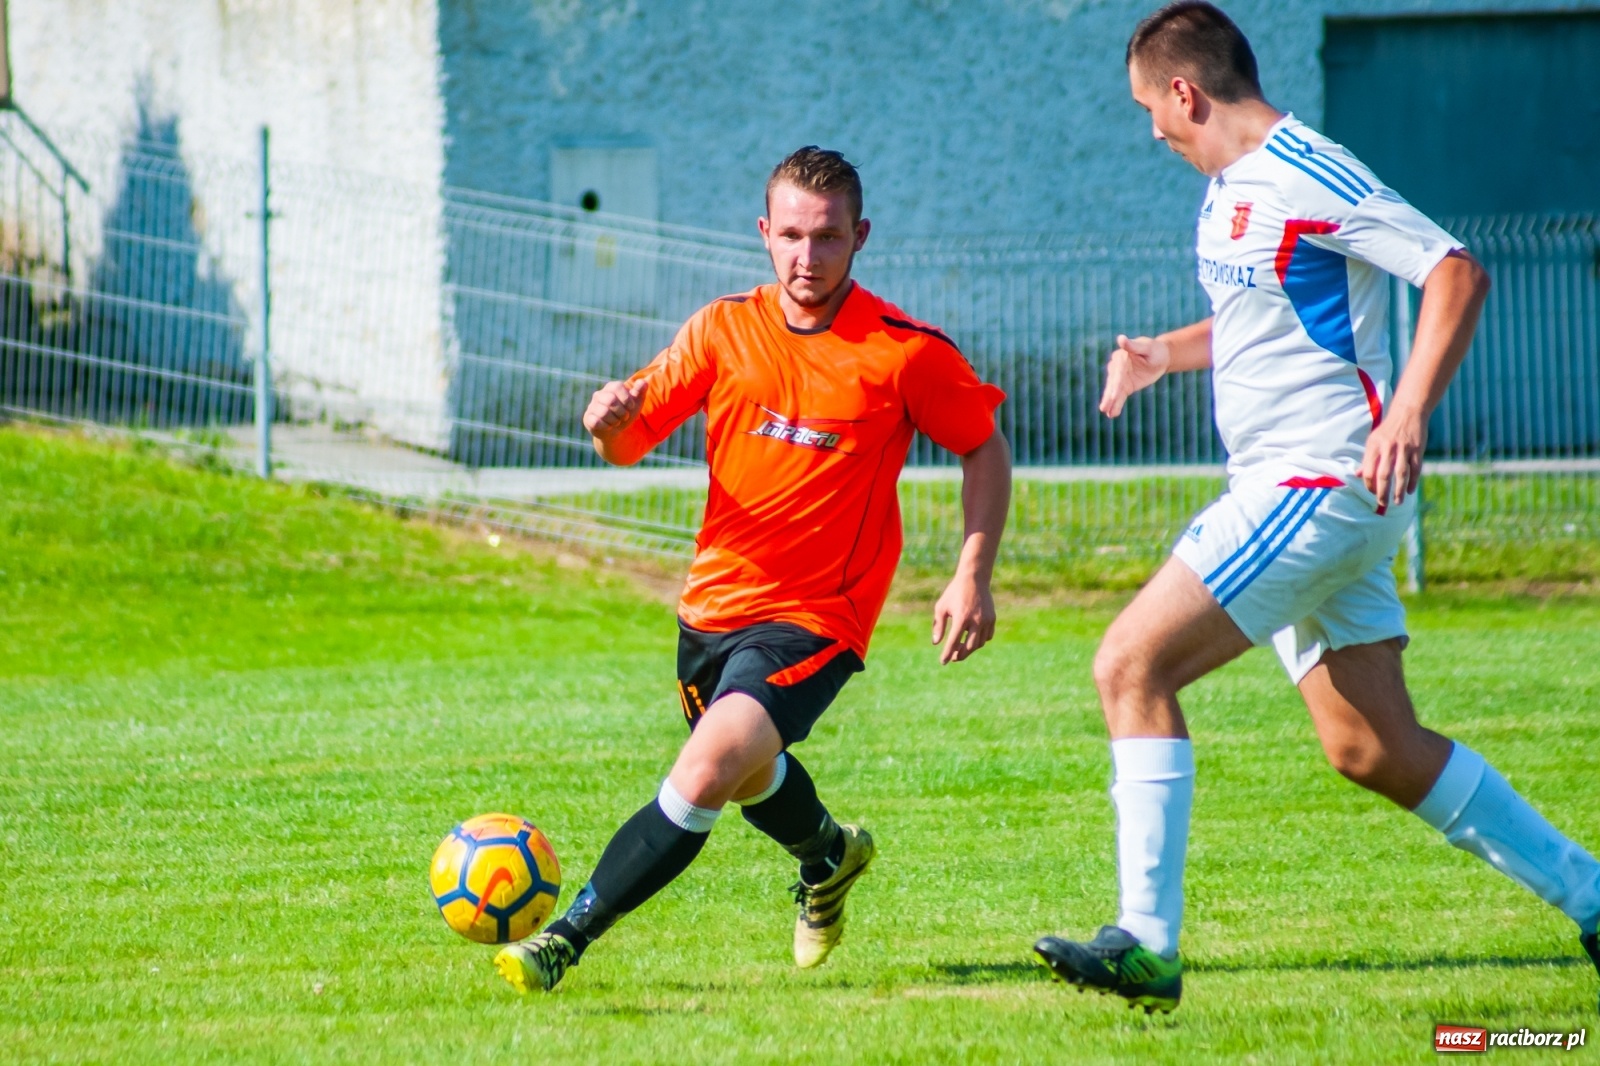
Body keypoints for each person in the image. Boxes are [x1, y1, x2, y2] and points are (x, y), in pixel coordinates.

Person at [1033, 1, 1600, 1015]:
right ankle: (1593, 898)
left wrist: (1410, 413)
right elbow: (1264, 316)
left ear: (1184, 92)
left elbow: (1454, 269)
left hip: (1321, 479)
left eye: (1145, 109)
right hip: (1302, 489)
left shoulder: (1310, 169)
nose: (1148, 131)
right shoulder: (1224, 194)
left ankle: (1146, 946)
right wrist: (1164, 352)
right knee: (1369, 746)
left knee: (1129, 661)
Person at [495, 146, 1013, 994]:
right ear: (765, 235)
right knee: (746, 777)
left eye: (830, 238)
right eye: (793, 238)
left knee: (706, 767)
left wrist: (972, 573)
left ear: (861, 237)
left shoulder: (903, 352)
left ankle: (562, 940)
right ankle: (830, 855)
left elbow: (982, 447)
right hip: (711, 609)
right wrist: (605, 421)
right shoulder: (721, 328)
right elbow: (628, 444)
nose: (809, 259)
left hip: (816, 618)